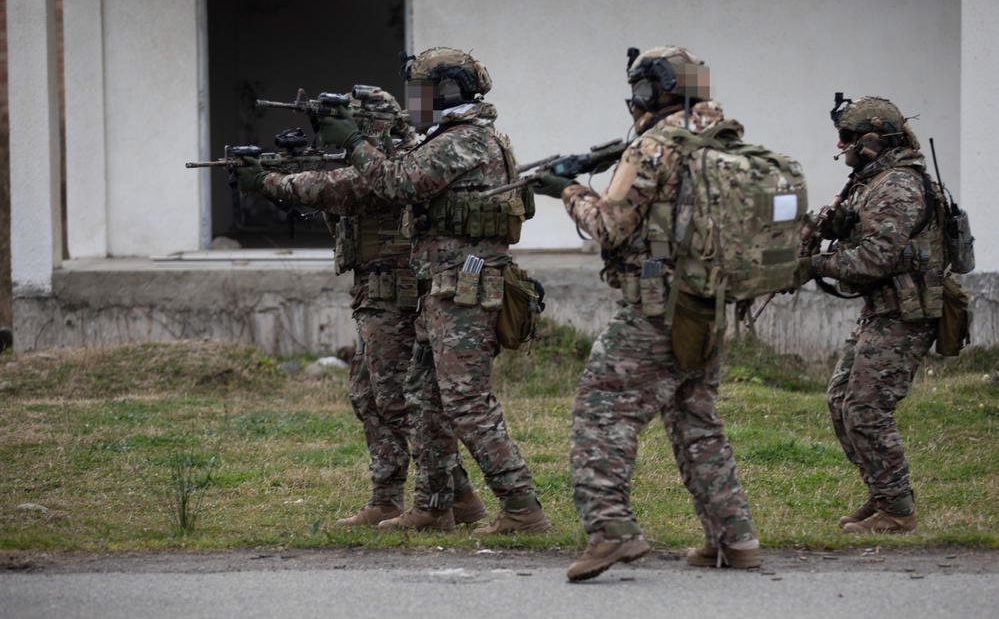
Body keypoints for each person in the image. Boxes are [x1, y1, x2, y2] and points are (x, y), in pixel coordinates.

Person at [534, 46, 760, 581]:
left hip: (656, 310)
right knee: (695, 420)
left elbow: (611, 225)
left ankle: (612, 532)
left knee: (602, 409)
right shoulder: (726, 139)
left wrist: (564, 190)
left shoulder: (655, 147)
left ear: (647, 90)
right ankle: (736, 539)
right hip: (709, 304)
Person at [315, 47, 551, 535]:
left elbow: (397, 182)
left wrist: (355, 141)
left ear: (444, 93)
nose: (411, 105)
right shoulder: (450, 137)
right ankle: (434, 506)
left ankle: (522, 507)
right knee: (423, 397)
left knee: (466, 401)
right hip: (441, 289)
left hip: (464, 292)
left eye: (418, 93)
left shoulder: (464, 141)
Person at [236, 88, 487, 530]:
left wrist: (266, 182)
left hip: (398, 295)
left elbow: (342, 188)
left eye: (348, 124)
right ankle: (391, 498)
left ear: (372, 124)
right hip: (375, 293)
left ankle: (448, 499)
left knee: (398, 402)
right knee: (368, 397)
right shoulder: (379, 158)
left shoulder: (398, 162)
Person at [793, 94, 942, 534]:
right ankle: (883, 494)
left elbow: (875, 259)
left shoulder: (897, 185)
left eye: (847, 137)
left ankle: (898, 511)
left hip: (907, 311)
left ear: (874, 140)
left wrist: (812, 266)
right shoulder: (872, 181)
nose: (841, 146)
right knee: (841, 400)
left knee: (866, 407)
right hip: (883, 308)